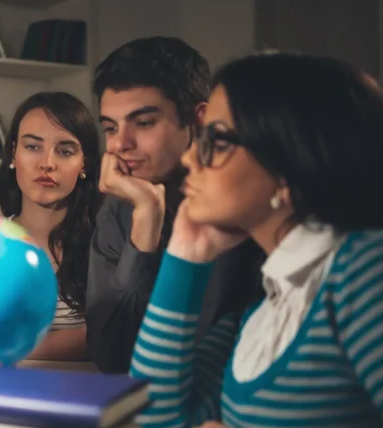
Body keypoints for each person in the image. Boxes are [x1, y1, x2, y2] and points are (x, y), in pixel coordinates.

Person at [130, 51, 383, 428]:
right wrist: (186, 255)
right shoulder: (269, 300)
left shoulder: (372, 271)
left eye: (215, 142)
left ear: (288, 161)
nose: (188, 159)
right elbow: (156, 423)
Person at [86, 36, 263, 373]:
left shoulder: (237, 202)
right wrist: (146, 218)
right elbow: (111, 357)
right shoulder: (122, 206)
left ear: (199, 119)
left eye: (144, 122)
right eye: (110, 127)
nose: (121, 143)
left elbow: (201, 357)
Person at [0, 92, 102, 362]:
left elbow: (119, 333)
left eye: (65, 151)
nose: (47, 164)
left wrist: (14, 351)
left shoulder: (105, 244)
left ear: (84, 165)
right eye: (32, 147)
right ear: (12, 153)